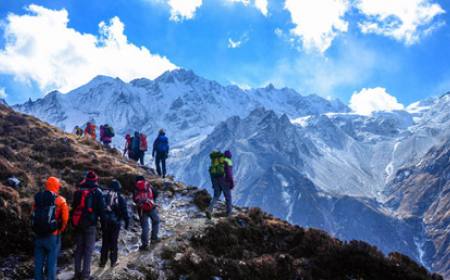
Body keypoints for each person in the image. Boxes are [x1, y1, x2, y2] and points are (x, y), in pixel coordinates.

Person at [32, 177, 69, 280]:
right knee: (51, 263)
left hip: (39, 235)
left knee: (38, 263)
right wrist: (59, 230)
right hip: (52, 236)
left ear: (46, 185)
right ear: (57, 186)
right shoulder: (61, 200)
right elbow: (65, 219)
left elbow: (34, 214)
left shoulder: (39, 198)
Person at [71, 171, 106, 280]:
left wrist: (73, 223)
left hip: (78, 223)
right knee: (88, 250)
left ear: (86, 179)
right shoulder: (97, 192)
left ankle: (77, 274)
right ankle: (85, 275)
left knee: (79, 249)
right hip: (90, 224)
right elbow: (102, 211)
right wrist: (104, 225)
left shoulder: (78, 191)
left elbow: (73, 207)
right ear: (95, 180)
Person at [100, 180, 129, 268]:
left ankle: (102, 262)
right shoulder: (120, 197)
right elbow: (124, 211)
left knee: (105, 242)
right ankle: (113, 262)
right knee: (113, 242)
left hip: (105, 222)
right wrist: (127, 222)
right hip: (115, 223)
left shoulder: (104, 195)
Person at [133, 176, 160, 251]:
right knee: (156, 221)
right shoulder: (148, 185)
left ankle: (145, 244)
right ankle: (154, 238)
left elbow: (134, 199)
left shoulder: (136, 188)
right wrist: (152, 201)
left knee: (145, 227)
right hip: (151, 207)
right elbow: (156, 193)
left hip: (141, 210)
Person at [206, 150, 234, 218]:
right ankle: (229, 214)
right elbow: (229, 174)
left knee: (216, 195)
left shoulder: (217, 161)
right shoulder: (228, 161)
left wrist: (214, 184)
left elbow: (211, 172)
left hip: (214, 178)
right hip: (223, 179)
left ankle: (209, 209)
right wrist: (231, 183)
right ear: (230, 156)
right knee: (228, 197)